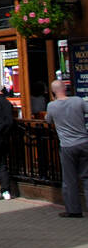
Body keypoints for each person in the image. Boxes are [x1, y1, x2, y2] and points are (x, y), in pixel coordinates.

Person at [47, 78, 88, 218]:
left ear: (53, 92)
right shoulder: (78, 101)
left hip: (67, 146)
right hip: (84, 142)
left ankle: (74, 210)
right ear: (65, 88)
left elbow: (48, 120)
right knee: (87, 177)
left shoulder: (52, 106)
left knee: (70, 179)